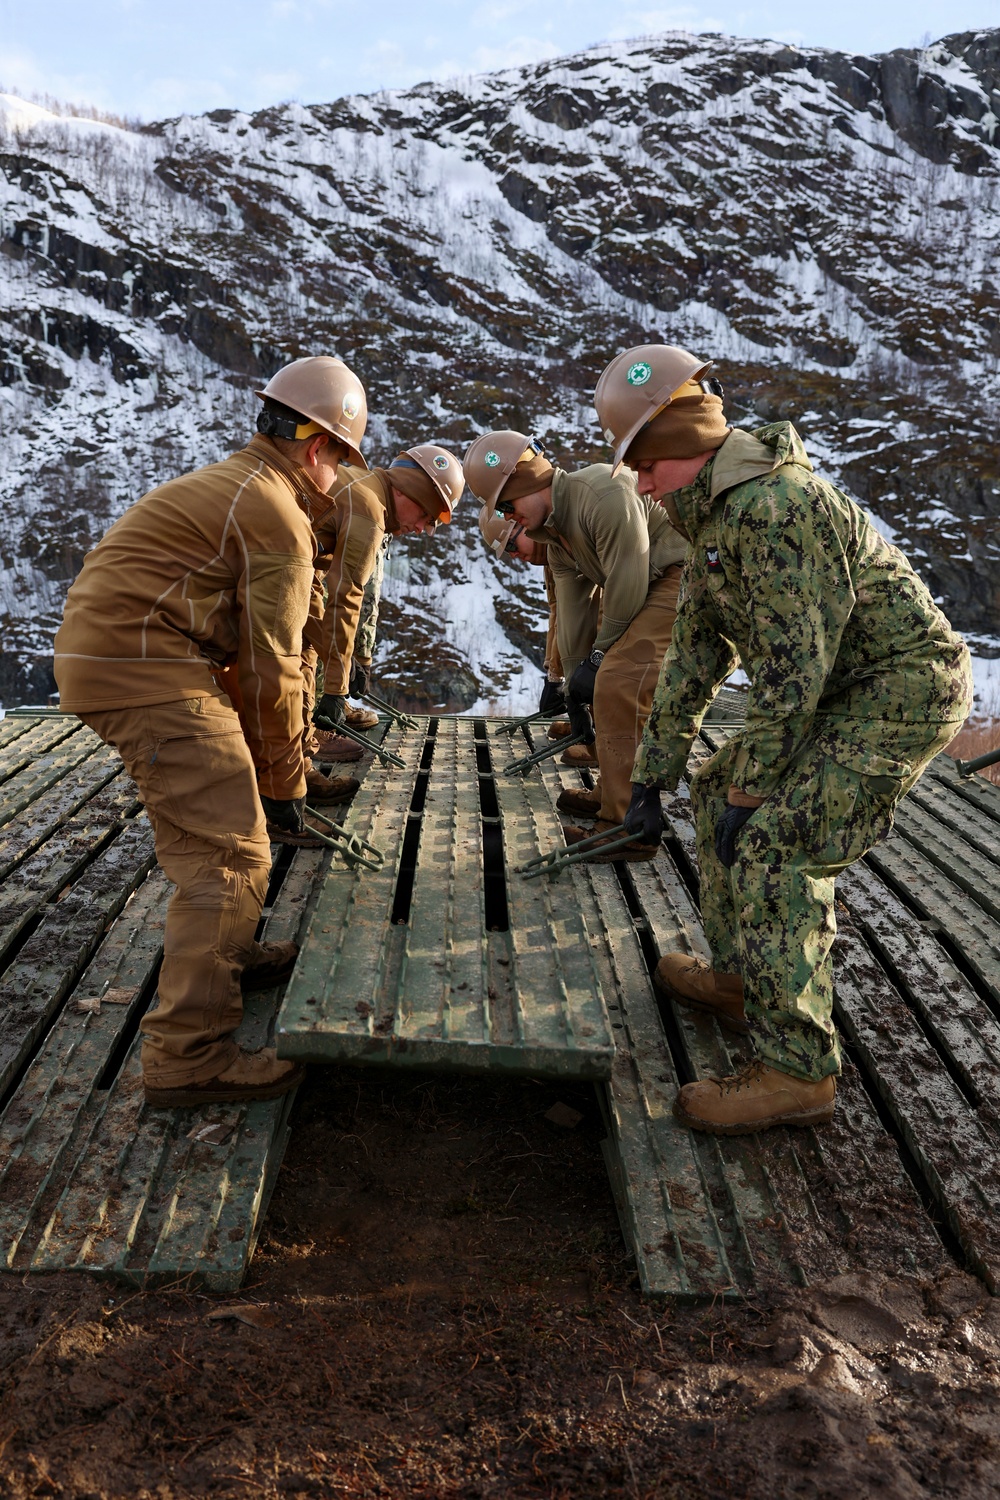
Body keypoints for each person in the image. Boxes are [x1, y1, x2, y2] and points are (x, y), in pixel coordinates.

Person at [598, 342, 974, 1133]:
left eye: (644, 463)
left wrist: (755, 787)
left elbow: (792, 671)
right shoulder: (711, 516)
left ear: (681, 446)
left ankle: (798, 1068)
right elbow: (696, 653)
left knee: (775, 843)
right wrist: (652, 777)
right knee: (713, 788)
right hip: (836, 692)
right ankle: (744, 979)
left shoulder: (774, 507)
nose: (637, 482)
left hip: (898, 693)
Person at [53, 355, 367, 1107]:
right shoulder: (277, 515)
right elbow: (272, 666)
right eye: (342, 462)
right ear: (320, 446)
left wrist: (268, 768)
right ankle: (187, 1057)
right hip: (146, 669)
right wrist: (287, 781)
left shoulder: (239, 485)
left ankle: (229, 951)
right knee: (228, 851)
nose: (340, 481)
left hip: (119, 657)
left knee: (219, 827)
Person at [465, 432, 687, 859]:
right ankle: (612, 793)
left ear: (529, 482)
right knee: (604, 679)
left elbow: (627, 583)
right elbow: (574, 612)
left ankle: (626, 825)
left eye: (509, 508)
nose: (513, 519)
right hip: (647, 585)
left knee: (620, 679)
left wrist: (598, 661)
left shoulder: (602, 492)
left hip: (677, 576)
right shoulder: (557, 537)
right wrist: (572, 686)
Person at [310, 445, 465, 731]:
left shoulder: (362, 485)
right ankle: (311, 731)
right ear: (409, 491)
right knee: (302, 651)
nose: (420, 528)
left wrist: (353, 661)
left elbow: (321, 584)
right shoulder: (369, 512)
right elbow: (346, 597)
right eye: (426, 515)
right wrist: (335, 688)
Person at [479, 506, 567, 722]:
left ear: (524, 523)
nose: (515, 555)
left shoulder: (569, 540)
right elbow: (558, 612)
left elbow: (589, 613)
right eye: (508, 552)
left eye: (511, 545)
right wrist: (553, 675)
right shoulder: (551, 558)